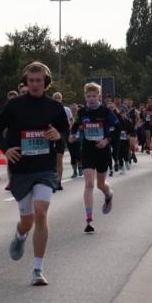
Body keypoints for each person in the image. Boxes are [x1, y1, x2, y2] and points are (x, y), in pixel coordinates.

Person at [0, 62, 69, 286]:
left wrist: (58, 136)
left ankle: (37, 269)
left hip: (44, 168)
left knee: (41, 213)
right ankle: (20, 234)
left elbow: (65, 132)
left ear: (46, 82)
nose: (35, 84)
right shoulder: (14, 105)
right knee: (27, 221)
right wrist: (6, 148)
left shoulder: (54, 107)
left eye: (39, 81)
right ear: (26, 82)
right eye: (31, 81)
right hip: (21, 169)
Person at [71, 83, 118, 233]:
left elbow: (117, 127)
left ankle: (108, 194)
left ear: (99, 97)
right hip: (88, 150)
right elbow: (75, 125)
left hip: (103, 151)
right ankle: (89, 219)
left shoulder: (105, 111)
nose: (91, 99)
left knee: (100, 184)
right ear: (85, 97)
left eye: (94, 96)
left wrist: (106, 140)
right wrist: (72, 135)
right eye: (88, 96)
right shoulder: (82, 112)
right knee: (89, 183)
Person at [50, 92, 72, 190]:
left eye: (58, 97)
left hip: (61, 135)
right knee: (51, 159)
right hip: (50, 135)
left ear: (61, 99)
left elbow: (70, 121)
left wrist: (68, 132)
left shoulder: (66, 109)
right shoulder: (48, 108)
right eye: (55, 97)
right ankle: (52, 180)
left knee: (59, 159)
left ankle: (58, 181)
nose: (57, 99)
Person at [67, 103, 83, 178]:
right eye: (72, 109)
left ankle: (80, 169)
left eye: (75, 109)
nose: (73, 110)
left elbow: (83, 126)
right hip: (70, 139)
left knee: (79, 155)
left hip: (78, 139)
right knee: (72, 156)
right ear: (70, 110)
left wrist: (79, 127)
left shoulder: (79, 117)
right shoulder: (68, 118)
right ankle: (74, 172)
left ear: (77, 109)